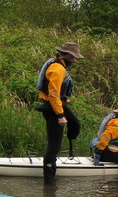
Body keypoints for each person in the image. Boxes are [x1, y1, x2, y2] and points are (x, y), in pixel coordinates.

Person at [36, 42, 84, 183]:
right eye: (74, 58)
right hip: (53, 107)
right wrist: (60, 116)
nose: (75, 61)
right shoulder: (57, 69)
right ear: (68, 56)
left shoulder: (57, 64)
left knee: (75, 124)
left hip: (56, 105)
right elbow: (54, 95)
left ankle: (69, 145)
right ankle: (49, 182)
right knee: (54, 145)